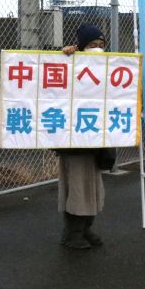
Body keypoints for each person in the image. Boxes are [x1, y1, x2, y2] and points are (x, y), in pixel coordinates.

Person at [58, 23, 107, 249]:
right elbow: (46, 76)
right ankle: (72, 233)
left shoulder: (108, 68)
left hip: (97, 140)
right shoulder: (70, 63)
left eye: (101, 45)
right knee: (77, 187)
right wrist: (65, 54)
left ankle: (86, 228)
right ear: (80, 46)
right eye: (91, 45)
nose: (97, 49)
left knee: (93, 188)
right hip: (74, 142)